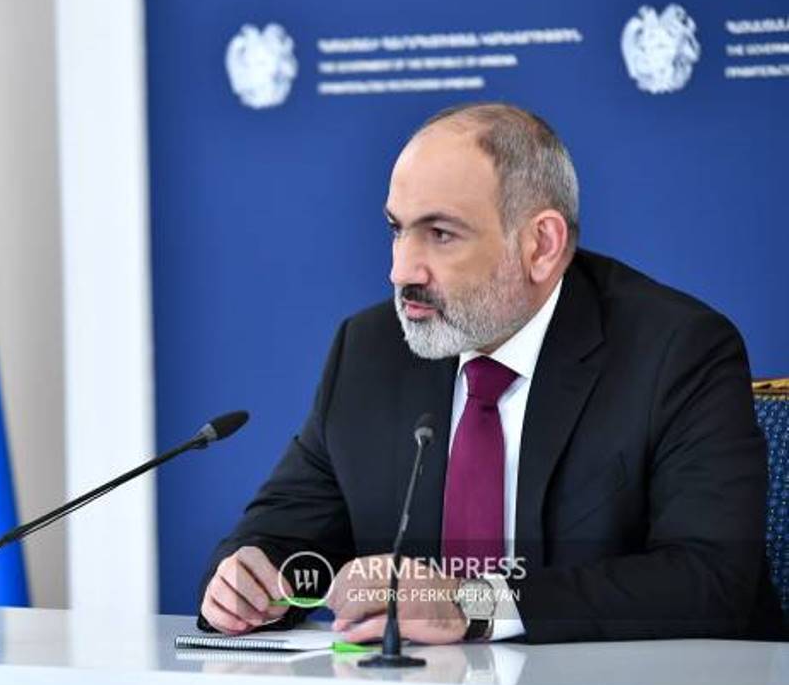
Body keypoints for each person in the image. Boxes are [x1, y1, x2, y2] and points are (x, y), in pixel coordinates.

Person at [197, 102, 783, 644]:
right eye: (397, 229)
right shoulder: (369, 352)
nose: (401, 270)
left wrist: (474, 605)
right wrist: (249, 581)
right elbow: (282, 536)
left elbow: (709, 579)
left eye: (440, 234)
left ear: (541, 245)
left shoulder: (676, 350)